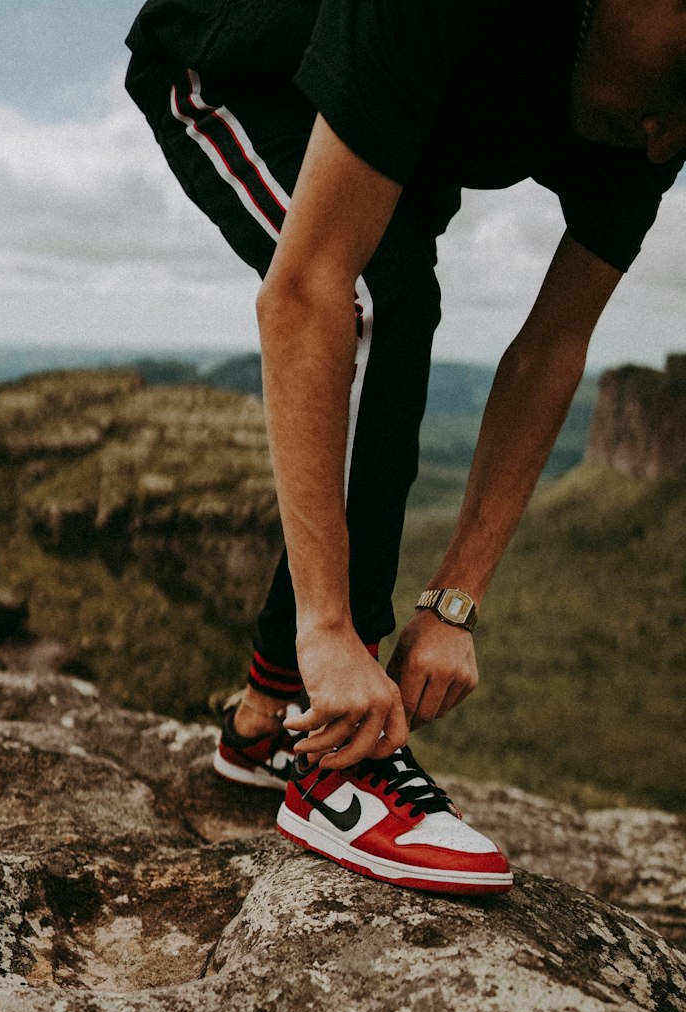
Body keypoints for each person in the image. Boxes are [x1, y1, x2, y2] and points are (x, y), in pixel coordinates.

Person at [125, 0, 685, 896]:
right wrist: (332, 634)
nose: (667, 143)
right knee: (379, 304)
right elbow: (305, 291)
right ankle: (333, 758)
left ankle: (268, 724)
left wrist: (456, 599)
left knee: (400, 302)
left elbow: (550, 350)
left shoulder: (653, 108)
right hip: (233, 58)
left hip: (401, 124)